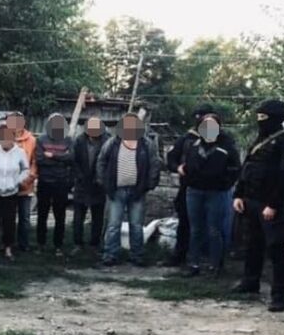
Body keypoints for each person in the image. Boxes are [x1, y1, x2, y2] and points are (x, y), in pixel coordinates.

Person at [232, 99, 284, 312]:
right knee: (252, 244)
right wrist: (239, 194)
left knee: (276, 248)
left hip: (270, 204)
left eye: (263, 117)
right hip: (251, 201)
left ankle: (280, 295)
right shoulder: (260, 140)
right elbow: (247, 168)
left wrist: (274, 204)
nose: (260, 121)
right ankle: (250, 282)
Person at [97, 113, 161, 267]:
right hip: (116, 191)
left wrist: (149, 184)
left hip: (137, 191)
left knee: (136, 226)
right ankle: (110, 255)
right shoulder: (112, 143)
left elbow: (155, 164)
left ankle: (137, 255)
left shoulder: (146, 144)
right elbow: (101, 162)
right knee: (113, 225)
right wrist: (103, 182)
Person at [182, 113, 241, 277]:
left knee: (214, 229)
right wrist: (188, 176)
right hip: (194, 191)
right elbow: (187, 164)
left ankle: (215, 266)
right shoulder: (194, 145)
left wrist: (224, 184)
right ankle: (193, 264)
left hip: (217, 193)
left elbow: (236, 169)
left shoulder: (227, 146)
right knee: (195, 229)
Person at [164, 104, 217, 267]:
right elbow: (171, 159)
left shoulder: (221, 139)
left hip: (213, 189)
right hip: (188, 188)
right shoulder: (186, 138)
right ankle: (180, 256)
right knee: (185, 223)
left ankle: (209, 259)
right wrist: (178, 168)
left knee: (211, 225)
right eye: (199, 118)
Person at [0, 125, 30, 262]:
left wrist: (17, 181)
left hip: (11, 193)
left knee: (9, 223)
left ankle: (8, 249)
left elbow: (25, 169)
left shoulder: (19, 152)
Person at [35, 113, 74, 256]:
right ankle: (41, 244)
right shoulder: (41, 139)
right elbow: (40, 159)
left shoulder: (68, 139)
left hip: (61, 183)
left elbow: (71, 158)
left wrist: (53, 156)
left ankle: (58, 245)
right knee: (42, 214)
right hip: (44, 182)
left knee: (60, 216)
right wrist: (61, 159)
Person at [72, 117, 109, 252]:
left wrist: (101, 178)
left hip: (98, 185)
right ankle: (78, 243)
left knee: (97, 217)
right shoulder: (79, 140)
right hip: (81, 184)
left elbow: (108, 162)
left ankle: (95, 243)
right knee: (78, 217)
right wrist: (79, 176)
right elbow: (74, 160)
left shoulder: (107, 141)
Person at [7, 112, 37, 252]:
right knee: (8, 216)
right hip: (8, 185)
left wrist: (28, 178)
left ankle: (24, 244)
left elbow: (35, 162)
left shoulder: (32, 140)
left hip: (26, 185)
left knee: (24, 217)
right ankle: (8, 243)